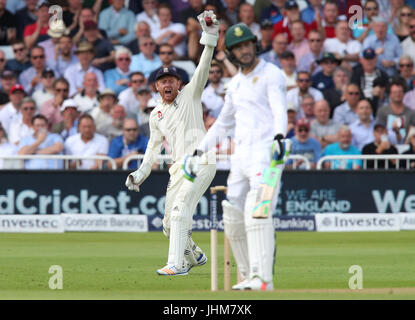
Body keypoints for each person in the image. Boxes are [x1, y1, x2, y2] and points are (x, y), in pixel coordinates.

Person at [182, 22, 290, 290]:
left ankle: (263, 278)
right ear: (230, 52)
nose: (244, 50)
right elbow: (223, 124)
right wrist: (199, 151)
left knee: (258, 211)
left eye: (247, 44)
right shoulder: (235, 84)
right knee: (231, 213)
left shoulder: (271, 74)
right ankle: (247, 275)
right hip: (241, 157)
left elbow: (279, 109)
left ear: (255, 44)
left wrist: (280, 136)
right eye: (237, 47)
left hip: (266, 154)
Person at [125, 11, 219, 277]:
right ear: (156, 87)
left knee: (180, 213)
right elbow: (152, 148)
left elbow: (203, 64)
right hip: (178, 167)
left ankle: (177, 265)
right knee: (168, 224)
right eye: (162, 81)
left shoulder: (191, 93)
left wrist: (210, 34)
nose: (168, 84)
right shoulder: (155, 114)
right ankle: (194, 255)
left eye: (172, 80)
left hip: (201, 160)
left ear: (179, 83)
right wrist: (140, 174)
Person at [376, 79, 415, 144]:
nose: (397, 94)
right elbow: (378, 131)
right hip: (387, 147)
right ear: (390, 94)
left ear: (404, 94)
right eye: (394, 92)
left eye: (400, 92)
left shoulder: (411, 113)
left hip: (407, 147)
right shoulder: (382, 111)